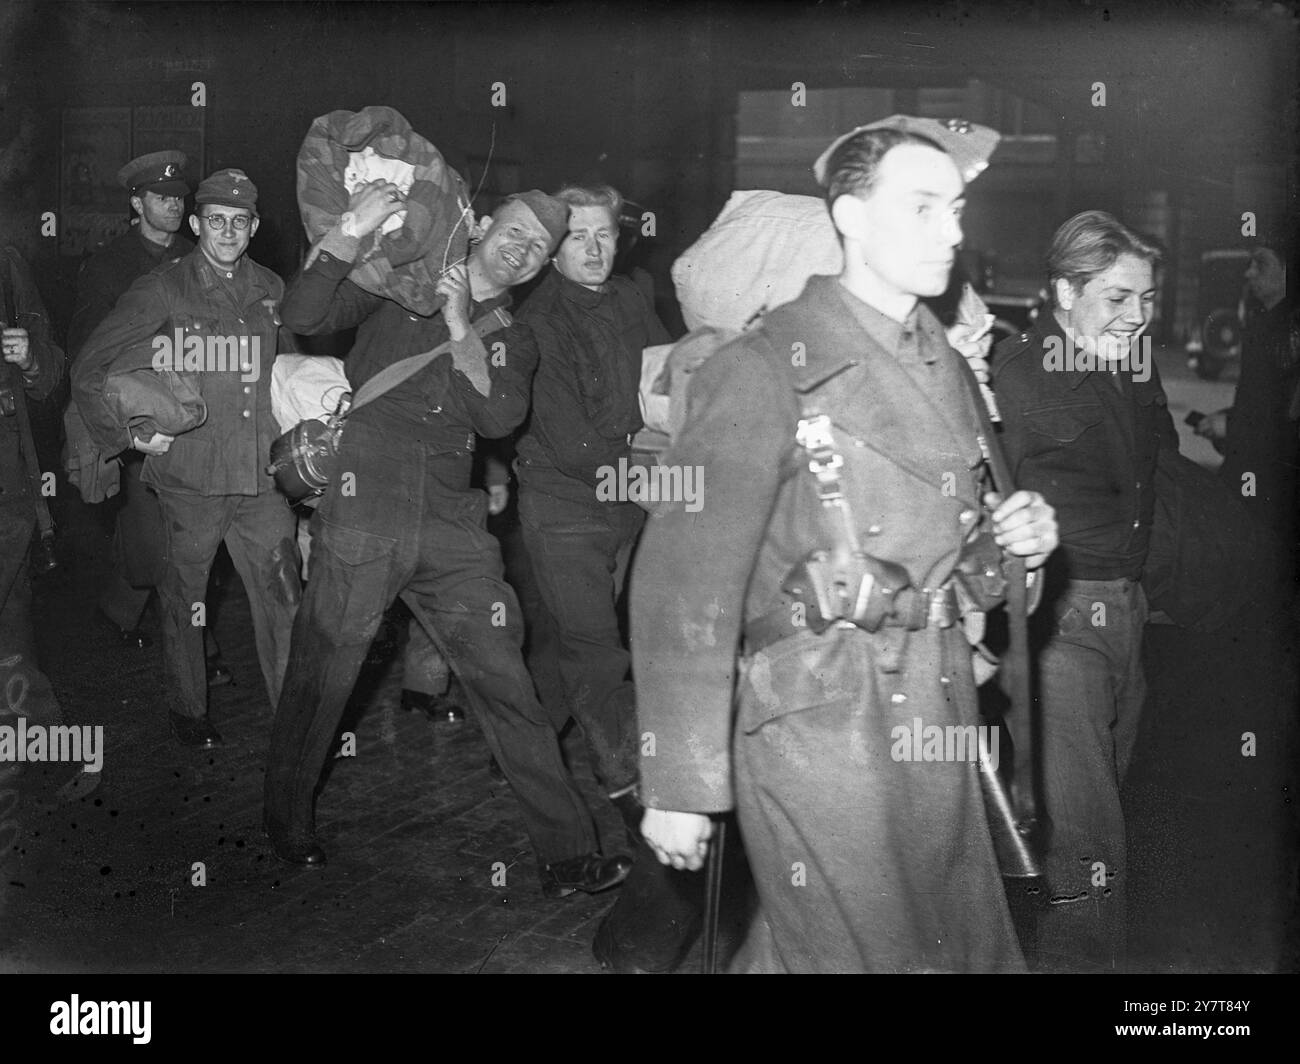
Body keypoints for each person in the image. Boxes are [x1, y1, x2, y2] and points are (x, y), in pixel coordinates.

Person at [632, 116, 1058, 972]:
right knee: (859, 950)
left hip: (937, 710)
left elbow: (967, 569)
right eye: (924, 207)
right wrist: (678, 782)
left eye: (958, 209)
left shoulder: (942, 365)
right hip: (819, 722)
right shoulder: (765, 367)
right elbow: (683, 585)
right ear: (851, 217)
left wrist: (1023, 551)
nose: (954, 231)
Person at [263, 184, 632, 900]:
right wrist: (352, 229)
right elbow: (304, 314)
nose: (522, 249)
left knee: (505, 676)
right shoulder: (403, 278)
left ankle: (567, 851)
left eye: (537, 247)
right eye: (516, 231)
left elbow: (497, 416)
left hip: (452, 522)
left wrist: (464, 324)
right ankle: (286, 814)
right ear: (485, 224)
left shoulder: (515, 336)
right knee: (324, 670)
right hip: (365, 497)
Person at [990, 210, 1178, 971]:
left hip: (1127, 612)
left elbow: (1150, 477)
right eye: (1117, 299)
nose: (1137, 318)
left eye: (1147, 299)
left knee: (1097, 804)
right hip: (1057, 624)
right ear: (1065, 292)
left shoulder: (1132, 363)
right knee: (1087, 840)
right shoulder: (1018, 376)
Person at [73, 168, 301, 749]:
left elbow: (290, 375)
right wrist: (126, 436)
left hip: (261, 477)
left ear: (253, 228)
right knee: (185, 600)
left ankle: (294, 721)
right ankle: (189, 709)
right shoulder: (163, 287)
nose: (228, 231)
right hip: (192, 477)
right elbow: (89, 368)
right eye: (216, 221)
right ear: (198, 224)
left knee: (284, 598)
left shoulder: (274, 288)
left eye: (240, 222)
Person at [65, 151, 232, 685]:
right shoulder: (108, 266)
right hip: (142, 418)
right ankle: (196, 650)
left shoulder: (195, 255)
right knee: (158, 538)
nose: (173, 204)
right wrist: (125, 431)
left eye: (179, 197)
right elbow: (88, 351)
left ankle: (119, 612)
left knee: (172, 538)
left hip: (194, 413)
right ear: (137, 203)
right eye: (162, 197)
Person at [1193, 239, 1297, 553]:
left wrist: (1233, 428)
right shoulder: (1267, 322)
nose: (1249, 273)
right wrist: (1227, 419)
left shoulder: (1288, 331)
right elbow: (1264, 401)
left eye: (1261, 264)